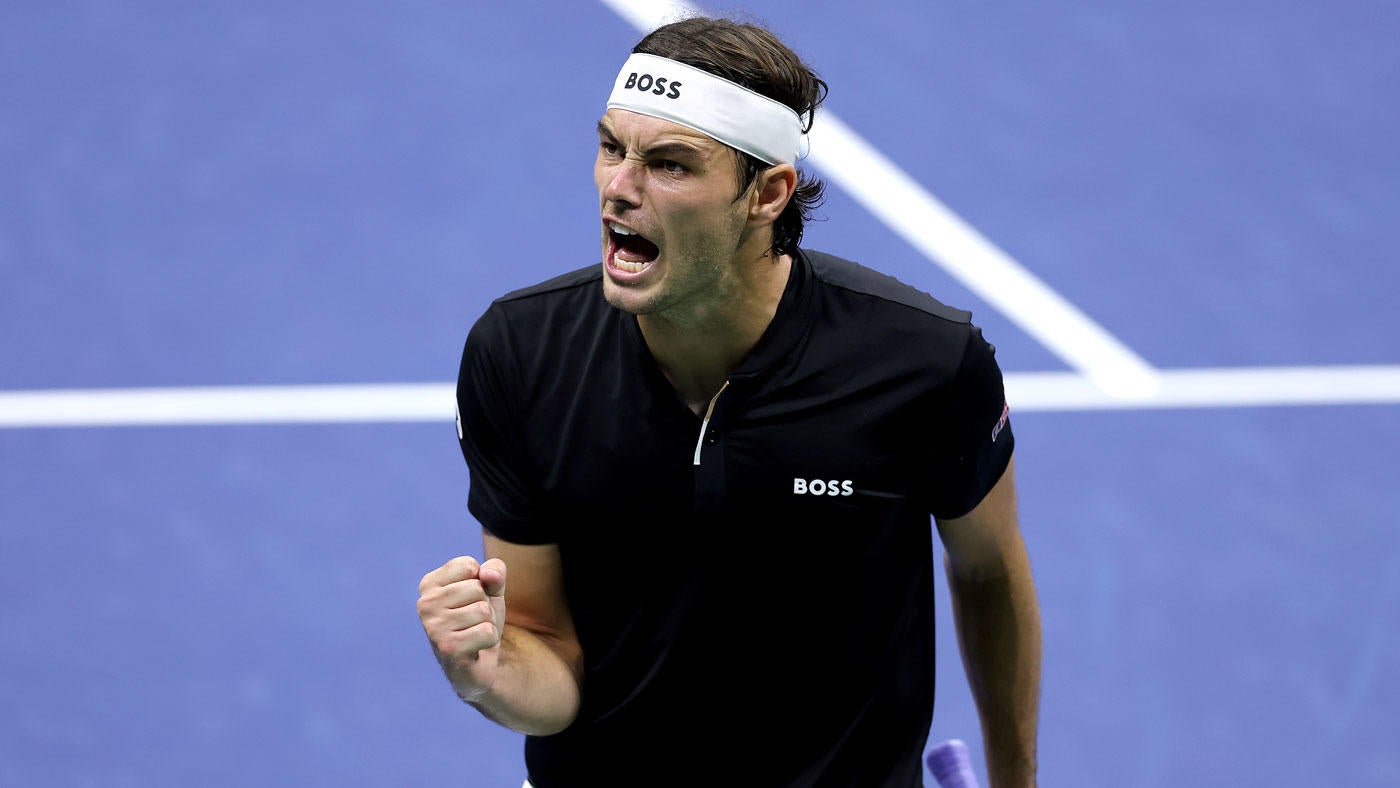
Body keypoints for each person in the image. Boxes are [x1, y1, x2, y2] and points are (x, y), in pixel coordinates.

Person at [417, 13, 1042, 787]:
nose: (619, 187)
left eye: (670, 165)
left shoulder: (924, 363)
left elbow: (987, 573)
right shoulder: (519, 354)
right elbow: (549, 653)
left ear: (768, 193)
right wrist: (485, 673)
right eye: (613, 147)